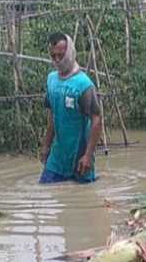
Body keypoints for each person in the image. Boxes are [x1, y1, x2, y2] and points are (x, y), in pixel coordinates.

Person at [40, 32, 102, 184]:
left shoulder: (84, 85)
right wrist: (46, 145)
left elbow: (96, 119)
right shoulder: (51, 80)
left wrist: (88, 156)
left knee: (84, 195)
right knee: (44, 188)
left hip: (80, 156)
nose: (57, 60)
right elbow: (52, 116)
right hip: (57, 157)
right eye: (53, 56)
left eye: (61, 55)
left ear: (70, 52)